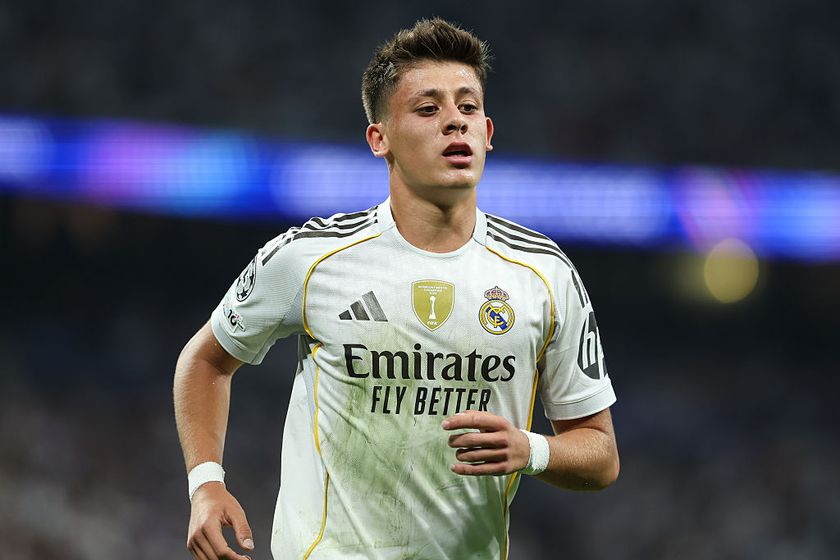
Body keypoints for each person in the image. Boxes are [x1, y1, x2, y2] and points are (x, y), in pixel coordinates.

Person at [174, 17, 619, 560]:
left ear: (488, 133)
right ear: (379, 138)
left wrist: (534, 449)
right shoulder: (311, 257)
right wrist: (206, 483)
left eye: (468, 107)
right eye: (428, 109)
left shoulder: (544, 275)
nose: (454, 122)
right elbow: (207, 360)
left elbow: (601, 454)